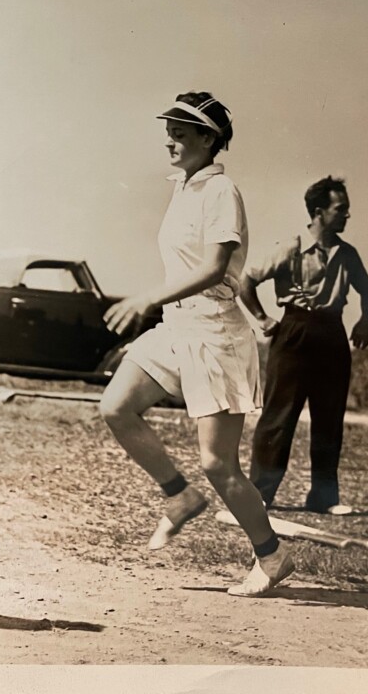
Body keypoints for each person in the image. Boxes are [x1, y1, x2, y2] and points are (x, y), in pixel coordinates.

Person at [98, 91, 293, 598]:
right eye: (170, 131)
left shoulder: (220, 190)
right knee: (116, 406)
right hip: (177, 327)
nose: (171, 141)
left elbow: (211, 269)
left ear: (209, 139)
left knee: (218, 463)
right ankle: (179, 498)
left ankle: (271, 556)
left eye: (182, 133)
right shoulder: (184, 188)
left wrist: (144, 297)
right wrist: (157, 305)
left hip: (217, 334)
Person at [240, 177, 368, 515]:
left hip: (332, 336)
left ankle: (324, 497)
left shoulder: (348, 254)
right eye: (340, 209)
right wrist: (262, 318)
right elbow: (247, 280)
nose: (347, 216)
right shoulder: (290, 247)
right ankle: (259, 494)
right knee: (278, 418)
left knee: (329, 419)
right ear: (319, 212)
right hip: (294, 333)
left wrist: (365, 321)